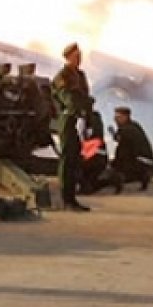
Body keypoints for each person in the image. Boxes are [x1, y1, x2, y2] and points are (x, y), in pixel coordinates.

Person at [51, 42, 93, 211]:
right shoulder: (63, 75)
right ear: (68, 57)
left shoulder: (80, 75)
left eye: (80, 55)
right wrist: (77, 111)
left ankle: (72, 198)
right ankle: (66, 199)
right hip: (68, 121)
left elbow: (86, 98)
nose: (79, 59)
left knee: (75, 160)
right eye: (76, 56)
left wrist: (87, 118)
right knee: (67, 160)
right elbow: (66, 97)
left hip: (78, 121)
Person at [110, 106, 153, 191]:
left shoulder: (126, 129)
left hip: (139, 161)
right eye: (115, 117)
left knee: (118, 161)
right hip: (147, 160)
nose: (115, 119)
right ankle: (143, 175)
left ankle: (133, 176)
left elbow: (122, 148)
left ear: (126, 117)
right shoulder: (135, 125)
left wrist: (115, 165)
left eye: (118, 117)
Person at [78, 110, 121, 195]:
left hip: (91, 156)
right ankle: (111, 181)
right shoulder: (96, 118)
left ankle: (88, 187)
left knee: (74, 169)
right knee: (90, 181)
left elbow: (81, 137)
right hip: (101, 155)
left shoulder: (83, 120)